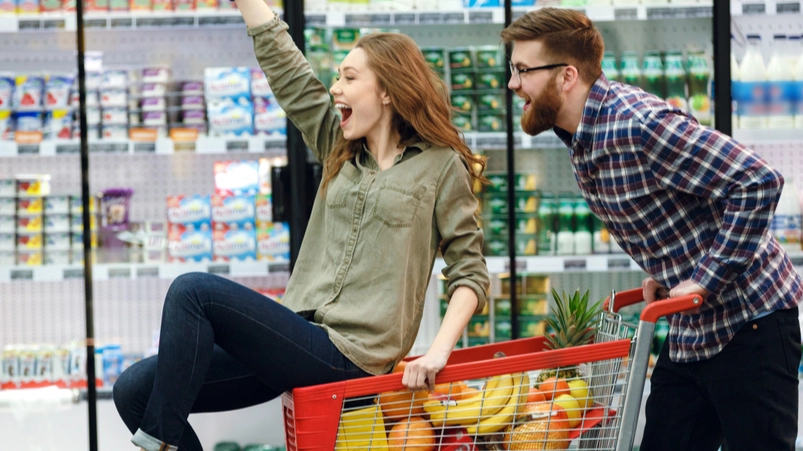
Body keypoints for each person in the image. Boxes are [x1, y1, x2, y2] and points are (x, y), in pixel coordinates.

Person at [113, 2, 490, 450]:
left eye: (350, 78)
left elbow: (470, 273)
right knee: (133, 390)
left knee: (193, 291)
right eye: (337, 78)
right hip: (299, 341)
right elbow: (291, 75)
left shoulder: (440, 167)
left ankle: (158, 442)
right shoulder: (340, 147)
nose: (336, 88)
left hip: (353, 357)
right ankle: (162, 440)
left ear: (387, 91)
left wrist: (437, 351)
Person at [502, 8, 802, 451]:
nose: (513, 83)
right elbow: (682, 204)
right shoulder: (581, 137)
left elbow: (756, 182)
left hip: (750, 323)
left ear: (566, 76)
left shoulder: (638, 124)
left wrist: (704, 278)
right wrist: (669, 269)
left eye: (522, 70)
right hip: (691, 330)